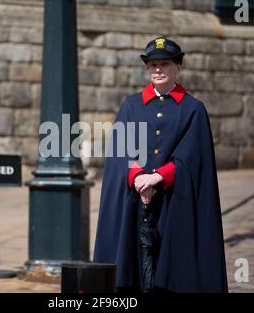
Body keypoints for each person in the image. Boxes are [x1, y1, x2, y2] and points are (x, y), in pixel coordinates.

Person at [93, 37, 228, 293]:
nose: (157, 70)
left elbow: (193, 156)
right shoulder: (131, 105)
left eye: (164, 64)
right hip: (134, 197)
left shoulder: (193, 109)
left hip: (174, 199)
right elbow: (121, 151)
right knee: (133, 266)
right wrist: (137, 177)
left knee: (172, 268)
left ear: (178, 67)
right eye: (153, 64)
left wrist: (157, 178)